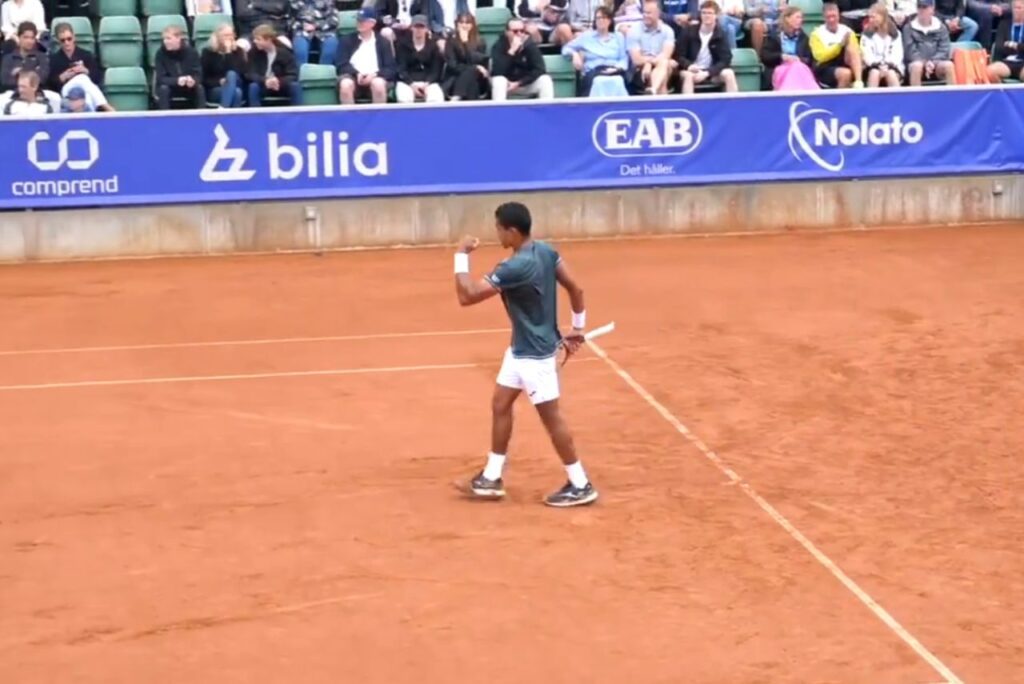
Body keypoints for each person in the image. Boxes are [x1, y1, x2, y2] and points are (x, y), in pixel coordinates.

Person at [453, 202, 598, 508]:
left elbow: (467, 296)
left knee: (551, 418)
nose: (497, 233)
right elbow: (576, 288)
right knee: (500, 403)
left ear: (513, 231)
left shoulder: (514, 267)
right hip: (521, 350)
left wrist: (461, 256)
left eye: (499, 228)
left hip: (534, 357)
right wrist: (578, 328)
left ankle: (581, 483)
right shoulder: (545, 251)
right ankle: (491, 478)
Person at [561, 6, 629, 97]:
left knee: (618, 80)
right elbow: (565, 49)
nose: (601, 21)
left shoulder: (618, 37)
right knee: (598, 81)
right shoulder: (586, 37)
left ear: (609, 20)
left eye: (604, 18)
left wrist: (617, 68)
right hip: (594, 72)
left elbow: (624, 58)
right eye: (598, 18)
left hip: (614, 71)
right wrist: (574, 54)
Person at [337, 7, 397, 104]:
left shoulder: (383, 42)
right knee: (345, 84)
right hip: (353, 77)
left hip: (376, 76)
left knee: (378, 84)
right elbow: (341, 64)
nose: (359, 22)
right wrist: (356, 74)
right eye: (358, 20)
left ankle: (379, 118)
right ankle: (349, 118)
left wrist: (374, 75)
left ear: (372, 23)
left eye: (362, 20)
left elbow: (390, 68)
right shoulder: (346, 40)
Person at [675, 0, 738, 93]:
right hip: (691, 70)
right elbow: (678, 55)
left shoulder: (720, 34)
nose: (706, 16)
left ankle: (734, 105)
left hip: (711, 71)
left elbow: (726, 59)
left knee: (729, 74)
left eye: (710, 13)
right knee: (688, 76)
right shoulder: (688, 31)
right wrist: (689, 66)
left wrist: (708, 72)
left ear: (716, 15)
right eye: (704, 13)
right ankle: (689, 105)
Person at [49, 22, 113, 111]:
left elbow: (97, 78)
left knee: (88, 96)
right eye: (62, 40)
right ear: (58, 41)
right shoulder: (54, 59)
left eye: (69, 39)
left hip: (85, 91)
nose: (66, 43)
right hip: (67, 92)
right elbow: (50, 84)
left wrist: (86, 71)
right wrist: (62, 77)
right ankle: (106, 106)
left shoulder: (86, 55)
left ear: (74, 37)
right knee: (82, 78)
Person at [490, 17, 554, 100]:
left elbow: (540, 69)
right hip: (507, 84)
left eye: (522, 31)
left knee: (545, 80)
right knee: (499, 80)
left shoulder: (530, 45)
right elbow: (497, 71)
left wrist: (519, 83)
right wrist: (511, 51)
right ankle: (499, 112)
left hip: (524, 83)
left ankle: (547, 111)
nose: (519, 34)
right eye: (515, 31)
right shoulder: (499, 45)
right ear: (507, 32)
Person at [810, 2, 864, 87]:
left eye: (834, 16)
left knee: (852, 46)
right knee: (845, 74)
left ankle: (859, 82)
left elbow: (856, 51)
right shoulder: (816, 34)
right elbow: (820, 57)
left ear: (838, 16)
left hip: (844, 62)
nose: (832, 20)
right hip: (825, 66)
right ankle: (839, 100)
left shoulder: (847, 30)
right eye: (828, 17)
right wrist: (839, 45)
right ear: (824, 17)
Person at [627, 0, 676, 94]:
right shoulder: (634, 31)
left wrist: (649, 64)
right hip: (639, 71)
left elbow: (666, 54)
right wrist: (647, 64)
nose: (645, 15)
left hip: (660, 66)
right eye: (644, 12)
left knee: (665, 63)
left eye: (649, 13)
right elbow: (636, 60)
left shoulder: (668, 31)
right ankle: (655, 92)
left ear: (658, 14)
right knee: (665, 67)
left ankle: (653, 90)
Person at [761, 6, 816, 89]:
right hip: (780, 68)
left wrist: (798, 59)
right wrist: (782, 57)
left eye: (801, 18)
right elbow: (765, 56)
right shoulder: (775, 36)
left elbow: (809, 59)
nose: (800, 20)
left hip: (800, 69)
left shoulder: (804, 38)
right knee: (795, 68)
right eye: (797, 17)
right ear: (787, 19)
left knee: (798, 67)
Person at [247, 23, 302, 106]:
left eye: (258, 39)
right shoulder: (253, 52)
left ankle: (299, 115)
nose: (255, 41)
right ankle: (256, 116)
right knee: (253, 87)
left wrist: (278, 81)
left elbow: (293, 74)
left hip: (281, 85)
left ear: (268, 40)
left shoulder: (285, 53)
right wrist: (265, 80)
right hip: (263, 84)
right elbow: (250, 73)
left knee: (295, 86)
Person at [154, 25, 205, 109]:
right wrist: (177, 81)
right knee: (164, 89)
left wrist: (193, 80)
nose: (165, 41)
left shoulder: (191, 52)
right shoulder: (160, 54)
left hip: (187, 87)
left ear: (178, 38)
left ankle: (202, 117)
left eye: (168, 38)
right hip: (170, 87)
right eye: (164, 39)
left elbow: (198, 74)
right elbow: (161, 78)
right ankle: (164, 118)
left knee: (199, 88)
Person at [395, 14, 445, 102]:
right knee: (404, 98)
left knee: (436, 98)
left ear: (426, 29)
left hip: (428, 82)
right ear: (411, 28)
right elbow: (401, 69)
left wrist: (427, 84)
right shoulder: (402, 45)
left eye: (421, 27)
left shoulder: (433, 46)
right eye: (416, 27)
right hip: (407, 82)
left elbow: (436, 70)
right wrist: (411, 84)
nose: (419, 30)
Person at [904, 0, 956, 84]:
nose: (921, 10)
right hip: (917, 64)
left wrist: (933, 62)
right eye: (919, 7)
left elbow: (944, 49)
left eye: (924, 7)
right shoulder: (908, 28)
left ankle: (953, 96)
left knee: (949, 65)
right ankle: (916, 96)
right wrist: (924, 63)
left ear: (932, 9)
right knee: (916, 66)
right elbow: (910, 52)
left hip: (937, 64)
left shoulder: (941, 27)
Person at [444, 11, 489, 100]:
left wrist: (465, 43)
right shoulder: (451, 41)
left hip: (478, 79)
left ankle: (457, 98)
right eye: (461, 23)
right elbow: (453, 66)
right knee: (471, 73)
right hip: (455, 78)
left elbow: (477, 60)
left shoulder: (480, 42)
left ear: (472, 25)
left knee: (472, 73)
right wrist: (475, 67)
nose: (464, 26)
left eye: (467, 23)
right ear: (457, 25)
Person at [201, 22, 247, 108]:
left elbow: (240, 72)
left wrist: (228, 52)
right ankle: (231, 117)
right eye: (225, 35)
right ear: (218, 37)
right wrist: (218, 82)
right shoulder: (208, 52)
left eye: (231, 35)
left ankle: (223, 109)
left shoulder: (238, 51)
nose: (229, 38)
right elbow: (203, 77)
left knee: (232, 75)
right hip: (215, 88)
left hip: (236, 84)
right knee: (237, 93)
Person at [860, 2, 904, 86]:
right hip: (872, 67)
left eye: (873, 17)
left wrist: (887, 65)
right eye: (869, 17)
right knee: (874, 73)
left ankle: (898, 99)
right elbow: (867, 55)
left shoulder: (895, 33)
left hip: (892, 67)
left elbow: (898, 55)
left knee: (891, 74)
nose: (870, 20)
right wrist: (878, 65)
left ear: (882, 17)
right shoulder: (866, 34)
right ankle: (871, 99)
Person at [290, 0, 340, 65]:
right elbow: (290, 21)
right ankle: (301, 74)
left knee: (331, 46)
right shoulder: (295, 2)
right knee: (300, 51)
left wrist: (316, 25)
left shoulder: (328, 1)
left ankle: (323, 74)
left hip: (325, 32)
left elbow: (334, 21)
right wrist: (302, 25)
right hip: (302, 32)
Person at [1, 21, 46, 92]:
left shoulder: (41, 57)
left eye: (32, 38)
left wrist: (19, 73)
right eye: (26, 37)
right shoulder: (8, 58)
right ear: (19, 37)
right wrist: (33, 73)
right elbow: (5, 80)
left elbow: (42, 78)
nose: (29, 41)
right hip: (12, 93)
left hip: (36, 93)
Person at [986, 0, 1024, 81]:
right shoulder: (1004, 24)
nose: (1016, 11)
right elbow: (999, 46)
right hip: (1006, 61)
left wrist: (1014, 45)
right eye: (1014, 8)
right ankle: (1002, 92)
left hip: (1022, 62)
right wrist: (1019, 47)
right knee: (990, 71)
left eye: (1019, 8)